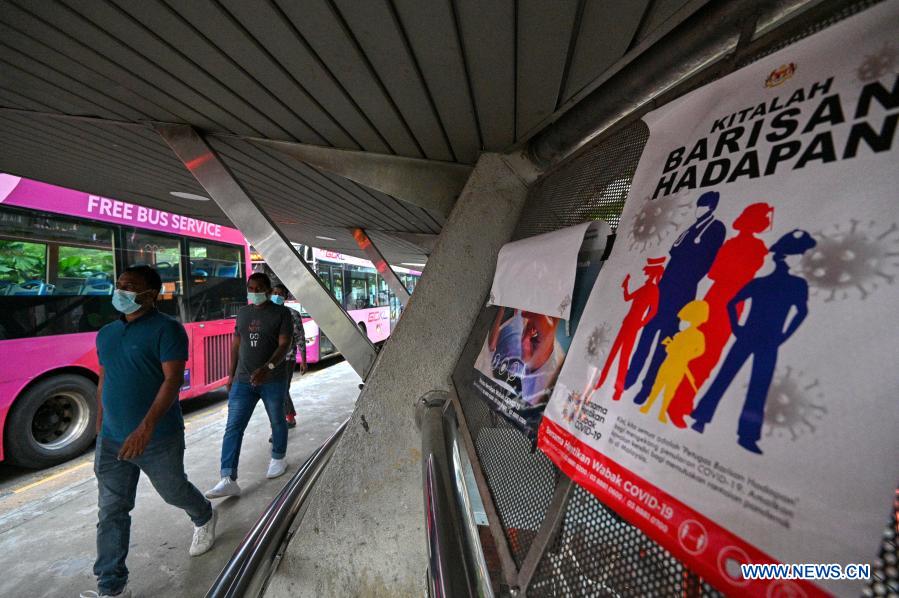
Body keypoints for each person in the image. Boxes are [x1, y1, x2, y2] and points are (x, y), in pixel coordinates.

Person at [81, 266, 215, 598]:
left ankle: (203, 515)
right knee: (111, 511)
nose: (121, 290)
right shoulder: (107, 333)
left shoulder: (168, 330)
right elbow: (105, 379)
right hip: (112, 440)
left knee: (173, 491)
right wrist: (100, 427)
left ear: (151, 294)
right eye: (119, 284)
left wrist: (145, 428)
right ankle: (111, 587)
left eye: (130, 286)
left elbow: (172, 380)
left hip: (158, 438)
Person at [691, 230, 816, 454]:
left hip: (757, 337)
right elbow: (801, 312)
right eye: (800, 253)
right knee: (749, 382)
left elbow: (801, 312)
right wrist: (743, 329)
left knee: (744, 380)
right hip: (763, 338)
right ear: (788, 256)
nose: (802, 258)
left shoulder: (776, 283)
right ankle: (736, 431)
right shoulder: (791, 284)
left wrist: (740, 328)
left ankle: (707, 420)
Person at [665, 202, 773, 425]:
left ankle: (680, 401)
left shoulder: (735, 245)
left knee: (701, 354)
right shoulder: (757, 249)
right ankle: (679, 403)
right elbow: (734, 275)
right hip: (728, 302)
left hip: (718, 298)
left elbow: (714, 273)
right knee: (707, 356)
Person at [625, 192, 726, 410]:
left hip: (682, 292)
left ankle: (647, 387)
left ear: (711, 208)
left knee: (665, 341)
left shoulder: (715, 228)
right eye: (699, 205)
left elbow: (707, 262)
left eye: (703, 206)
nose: (699, 209)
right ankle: (630, 377)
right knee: (647, 333)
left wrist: (688, 279)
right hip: (664, 288)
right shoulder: (692, 228)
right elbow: (675, 251)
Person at [205, 273, 292, 500]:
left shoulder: (281, 313)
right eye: (250, 288)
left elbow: (285, 344)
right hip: (243, 381)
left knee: (277, 419)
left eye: (259, 288)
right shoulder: (243, 313)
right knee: (233, 426)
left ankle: (278, 457)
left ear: (268, 290)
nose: (254, 292)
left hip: (273, 379)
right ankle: (227, 478)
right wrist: (230, 375)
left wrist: (268, 367)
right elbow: (236, 344)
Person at [592, 257, 664, 402]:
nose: (647, 274)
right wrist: (626, 285)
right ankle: (600, 382)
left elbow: (654, 311)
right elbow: (628, 297)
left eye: (649, 273)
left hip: (633, 326)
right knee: (612, 354)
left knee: (624, 357)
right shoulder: (645, 287)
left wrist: (642, 323)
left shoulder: (653, 290)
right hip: (627, 323)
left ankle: (618, 389)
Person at [638, 300, 709, 424]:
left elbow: (700, 350)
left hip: (679, 367)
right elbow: (669, 349)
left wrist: (688, 355)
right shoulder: (679, 335)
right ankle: (648, 406)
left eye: (686, 320)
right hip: (668, 363)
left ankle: (662, 412)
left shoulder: (698, 336)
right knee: (657, 385)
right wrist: (670, 345)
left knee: (669, 391)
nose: (683, 322)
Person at [271, 284, 307, 428]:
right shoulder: (267, 314)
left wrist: (303, 361)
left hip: (287, 359)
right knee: (276, 389)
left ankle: (288, 419)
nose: (277, 296)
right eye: (274, 293)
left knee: (282, 389)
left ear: (285, 297)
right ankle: (284, 418)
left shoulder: (292, 314)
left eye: (280, 294)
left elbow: (300, 337)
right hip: (271, 360)